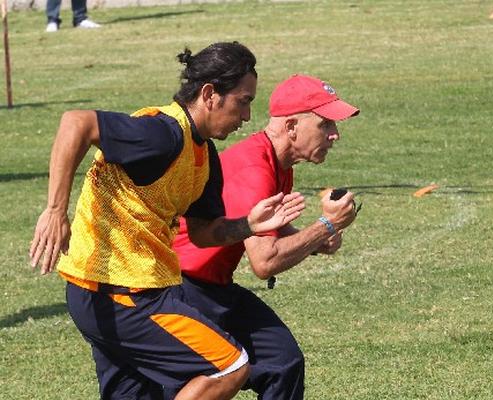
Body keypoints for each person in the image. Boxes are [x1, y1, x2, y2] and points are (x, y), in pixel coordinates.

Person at [29, 41, 305, 400]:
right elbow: (75, 123)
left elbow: (205, 233)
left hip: (113, 293)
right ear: (210, 94)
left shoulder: (204, 156)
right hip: (120, 293)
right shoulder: (162, 134)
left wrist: (248, 225)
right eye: (243, 100)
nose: (248, 116)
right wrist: (54, 211)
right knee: (229, 366)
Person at [171, 74, 360, 400]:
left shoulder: (278, 162)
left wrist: (314, 241)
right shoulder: (253, 168)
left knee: (282, 362)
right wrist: (324, 227)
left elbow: (263, 228)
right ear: (291, 127)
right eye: (325, 124)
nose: (335, 135)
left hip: (211, 288)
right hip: (181, 291)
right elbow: (264, 260)